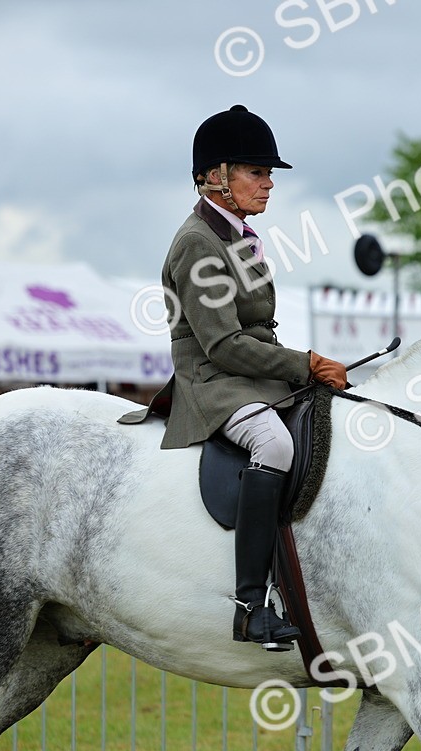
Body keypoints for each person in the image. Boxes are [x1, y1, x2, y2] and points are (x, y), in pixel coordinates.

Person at [119, 104, 347, 649]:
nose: (269, 185)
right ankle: (250, 605)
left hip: (252, 376)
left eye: (269, 175)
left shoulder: (237, 236)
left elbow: (256, 333)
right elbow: (222, 343)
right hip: (213, 382)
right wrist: (304, 363)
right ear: (216, 176)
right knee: (273, 444)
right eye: (257, 172)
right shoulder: (199, 242)